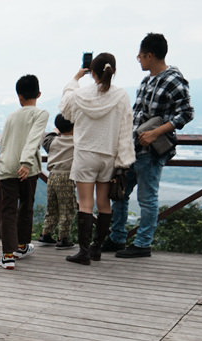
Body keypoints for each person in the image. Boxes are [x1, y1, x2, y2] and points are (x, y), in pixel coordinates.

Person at [109, 33, 194, 258]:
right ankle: (117, 237)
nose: (138, 59)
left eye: (140, 56)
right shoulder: (147, 80)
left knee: (147, 198)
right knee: (119, 193)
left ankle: (143, 243)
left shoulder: (173, 80)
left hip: (152, 150)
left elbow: (186, 113)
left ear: (150, 55)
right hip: (133, 148)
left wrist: (155, 133)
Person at [60, 52, 134, 265]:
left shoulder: (81, 95)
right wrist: (123, 159)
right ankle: (97, 248)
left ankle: (83, 252)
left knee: (85, 203)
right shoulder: (121, 96)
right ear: (114, 71)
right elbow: (126, 128)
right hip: (108, 155)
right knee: (104, 203)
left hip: (85, 154)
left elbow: (65, 108)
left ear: (92, 72)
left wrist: (75, 79)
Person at [0, 74, 49, 270]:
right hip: (28, 168)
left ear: (19, 96)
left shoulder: (11, 116)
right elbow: (34, 138)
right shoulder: (40, 114)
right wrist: (26, 162)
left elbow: (4, 142)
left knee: (8, 210)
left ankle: (8, 256)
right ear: (39, 93)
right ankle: (21, 246)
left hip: (7, 166)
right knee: (26, 205)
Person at [39, 114, 77, 249]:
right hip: (66, 178)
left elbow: (46, 138)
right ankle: (64, 237)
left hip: (52, 176)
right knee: (67, 209)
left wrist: (56, 130)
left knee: (52, 208)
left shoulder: (52, 141)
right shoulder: (76, 142)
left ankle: (46, 233)